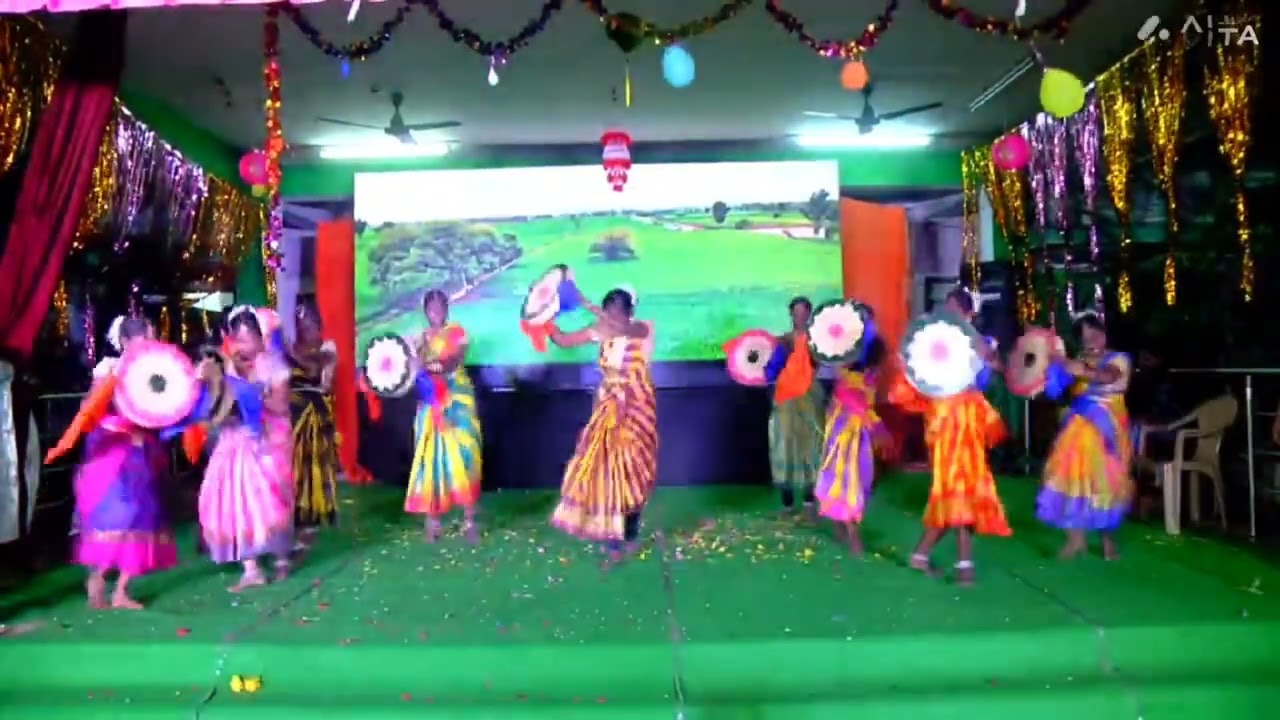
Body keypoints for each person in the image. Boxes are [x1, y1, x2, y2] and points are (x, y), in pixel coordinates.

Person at [889, 288, 1009, 585]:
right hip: (944, 422)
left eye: (955, 308)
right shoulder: (934, 337)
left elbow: (995, 367)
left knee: (966, 490)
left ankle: (930, 557)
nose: (948, 312)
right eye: (947, 307)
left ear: (968, 313)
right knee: (957, 488)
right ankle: (961, 565)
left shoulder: (980, 343)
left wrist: (982, 350)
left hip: (969, 420)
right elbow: (916, 379)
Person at [61, 316, 176, 609]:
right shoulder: (109, 368)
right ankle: (98, 575)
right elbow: (88, 408)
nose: (149, 345)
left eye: (151, 340)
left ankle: (122, 590)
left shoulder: (157, 369)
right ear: (125, 342)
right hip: (111, 452)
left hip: (143, 451)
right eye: (143, 340)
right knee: (116, 515)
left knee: (144, 517)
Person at [546, 286, 657, 568]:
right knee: (606, 471)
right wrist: (544, 321)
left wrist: (589, 307)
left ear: (630, 313)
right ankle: (614, 541)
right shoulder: (602, 329)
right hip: (607, 411)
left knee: (633, 473)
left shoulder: (643, 330)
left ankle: (630, 534)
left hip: (636, 411)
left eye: (617, 312)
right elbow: (563, 340)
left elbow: (625, 330)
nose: (611, 318)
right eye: (608, 312)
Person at [197, 308, 295, 592]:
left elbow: (280, 407)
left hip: (266, 440)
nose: (244, 346)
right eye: (238, 340)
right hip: (232, 441)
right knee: (230, 501)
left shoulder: (273, 364)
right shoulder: (226, 364)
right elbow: (215, 405)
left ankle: (280, 558)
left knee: (268, 502)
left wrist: (254, 396)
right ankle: (250, 568)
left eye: (249, 338)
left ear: (260, 337)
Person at [1037, 312, 1133, 560]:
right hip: (1079, 426)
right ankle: (1075, 540)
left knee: (1105, 482)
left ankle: (1108, 541)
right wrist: (1052, 364)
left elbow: (1108, 377)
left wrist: (1078, 368)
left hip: (1106, 427)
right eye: (1085, 336)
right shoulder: (1080, 359)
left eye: (1094, 333)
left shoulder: (1119, 359)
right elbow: (1055, 388)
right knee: (1069, 475)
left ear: (1104, 334)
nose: (1091, 339)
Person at [404, 290, 482, 542]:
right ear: (426, 311)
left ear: (447, 308)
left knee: (465, 455)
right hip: (429, 404)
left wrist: (426, 366)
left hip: (457, 401)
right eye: (431, 307)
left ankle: (469, 520)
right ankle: (433, 522)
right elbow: (406, 370)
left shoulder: (458, 333)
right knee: (430, 459)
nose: (436, 311)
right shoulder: (418, 339)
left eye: (440, 306)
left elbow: (452, 362)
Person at [815, 337, 888, 554]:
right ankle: (852, 537)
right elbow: (856, 404)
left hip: (851, 436)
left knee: (848, 480)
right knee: (848, 481)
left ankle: (842, 529)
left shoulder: (865, 376)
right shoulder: (851, 377)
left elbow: (850, 404)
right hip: (846, 438)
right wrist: (876, 426)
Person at [764, 297, 826, 517]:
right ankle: (787, 502)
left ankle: (810, 500)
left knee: (812, 445)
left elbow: (825, 361)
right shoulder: (783, 342)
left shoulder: (819, 341)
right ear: (791, 314)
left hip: (810, 397)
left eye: (803, 312)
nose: (799, 316)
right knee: (784, 447)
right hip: (786, 400)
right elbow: (770, 372)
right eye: (796, 312)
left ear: (809, 314)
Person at [287, 304, 339, 552]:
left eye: (310, 322)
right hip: (292, 416)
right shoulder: (291, 348)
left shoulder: (326, 349)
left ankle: (312, 514)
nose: (306, 327)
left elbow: (323, 380)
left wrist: (292, 354)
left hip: (315, 415)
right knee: (293, 466)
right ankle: (295, 515)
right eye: (301, 323)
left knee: (312, 466)